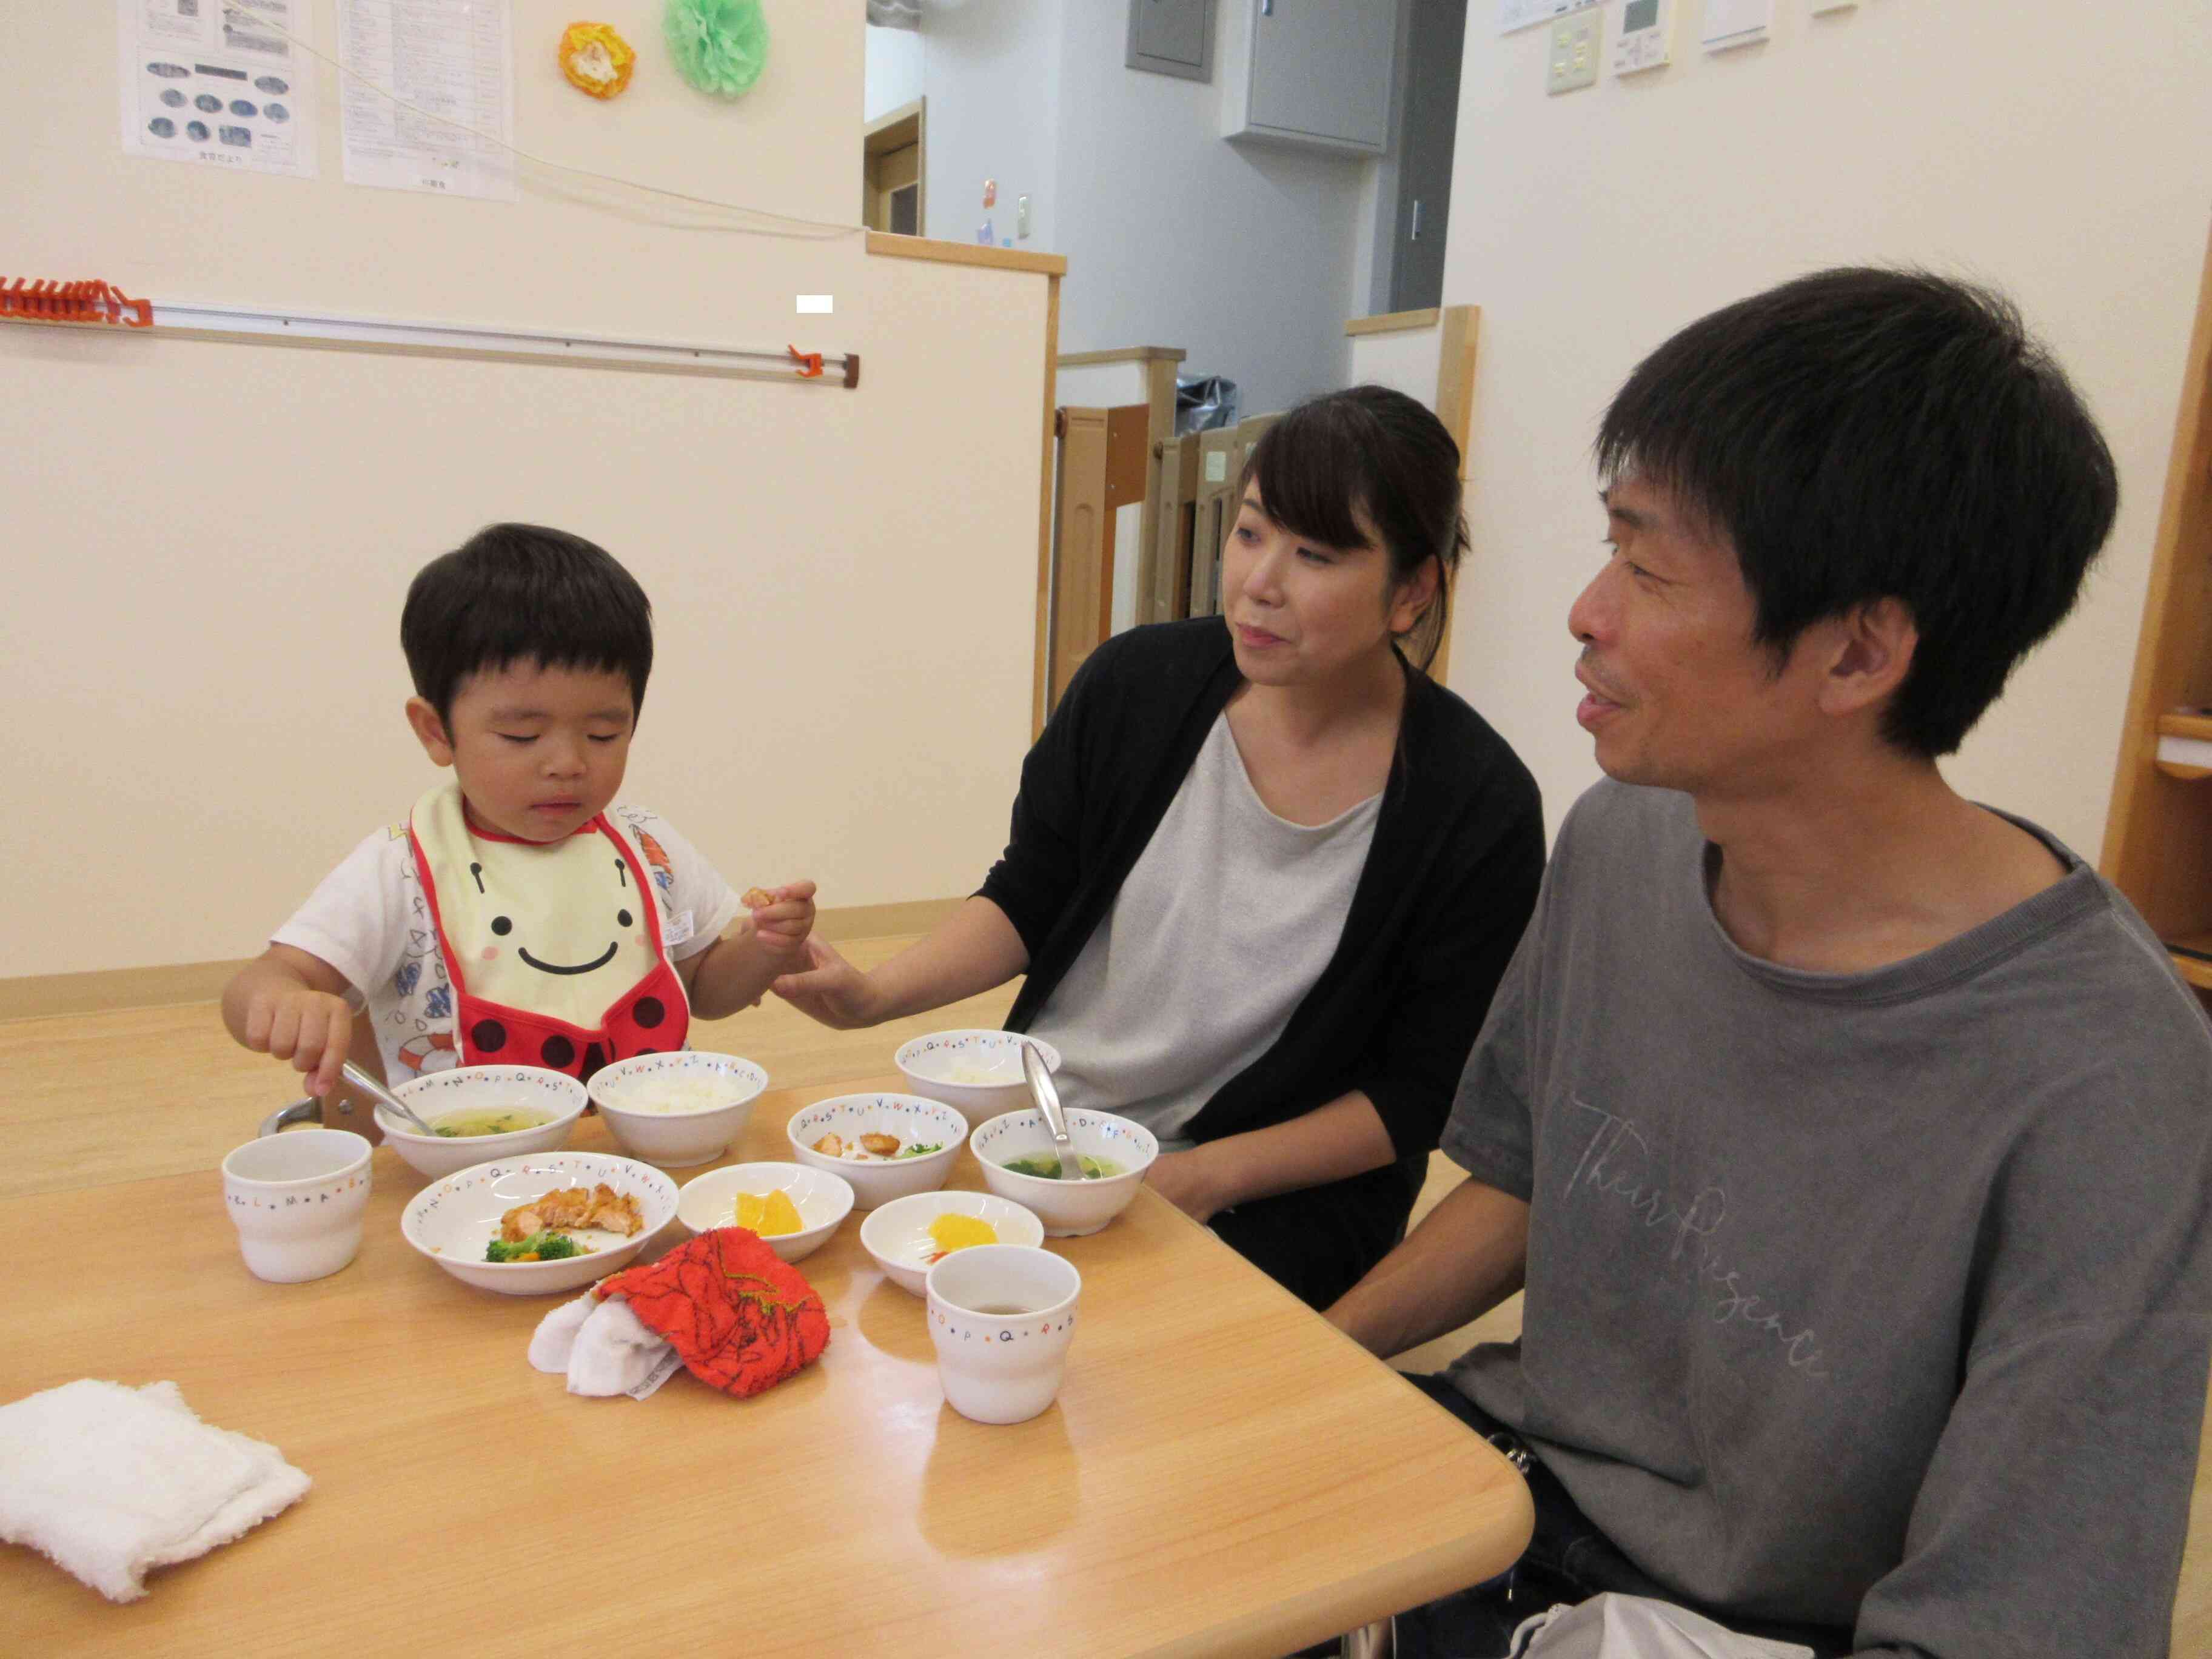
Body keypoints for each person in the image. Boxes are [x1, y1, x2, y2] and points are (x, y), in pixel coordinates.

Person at [1327, 269, 2212, 1657]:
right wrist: (1306, 1362)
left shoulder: (2106, 1072)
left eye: (1645, 563)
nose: (1583, 608)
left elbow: (2029, 1619)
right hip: (1489, 1496)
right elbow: (1522, 1179)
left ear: (1858, 649)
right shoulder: (1621, 841)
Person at [776, 386, 1546, 1309]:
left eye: (1316, 554)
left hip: (1268, 1188)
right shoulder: (1135, 685)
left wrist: (1204, 1177)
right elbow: (1033, 893)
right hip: (1048, 1125)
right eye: (1252, 532)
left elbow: (1424, 1092)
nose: (1260, 581)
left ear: (1412, 592)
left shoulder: (1477, 803)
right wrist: (872, 995)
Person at [221, 523, 816, 1103]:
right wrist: (283, 998)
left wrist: (765, 948)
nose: (567, 763)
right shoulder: (400, 869)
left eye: (604, 733)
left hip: (638, 1167)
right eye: (522, 735)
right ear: (437, 731)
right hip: (467, 1173)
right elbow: (264, 979)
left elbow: (705, 992)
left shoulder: (646, 846)